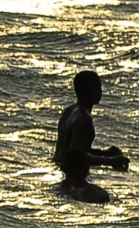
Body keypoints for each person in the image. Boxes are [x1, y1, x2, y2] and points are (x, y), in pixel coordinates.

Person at [53, 70, 129, 202]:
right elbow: (76, 155)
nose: (101, 91)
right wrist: (110, 161)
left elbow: (77, 149)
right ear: (89, 90)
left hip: (60, 167)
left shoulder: (69, 111)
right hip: (74, 175)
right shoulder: (84, 118)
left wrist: (105, 153)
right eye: (98, 87)